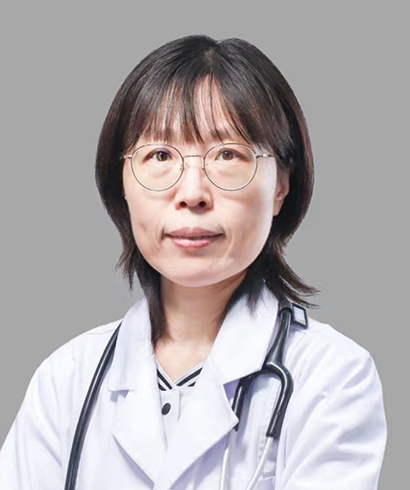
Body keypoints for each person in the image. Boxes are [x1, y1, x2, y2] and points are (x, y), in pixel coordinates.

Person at [0, 34, 387, 490]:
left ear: (281, 185)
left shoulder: (332, 376)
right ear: (121, 183)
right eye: (160, 155)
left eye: (227, 155)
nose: (192, 193)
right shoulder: (67, 379)